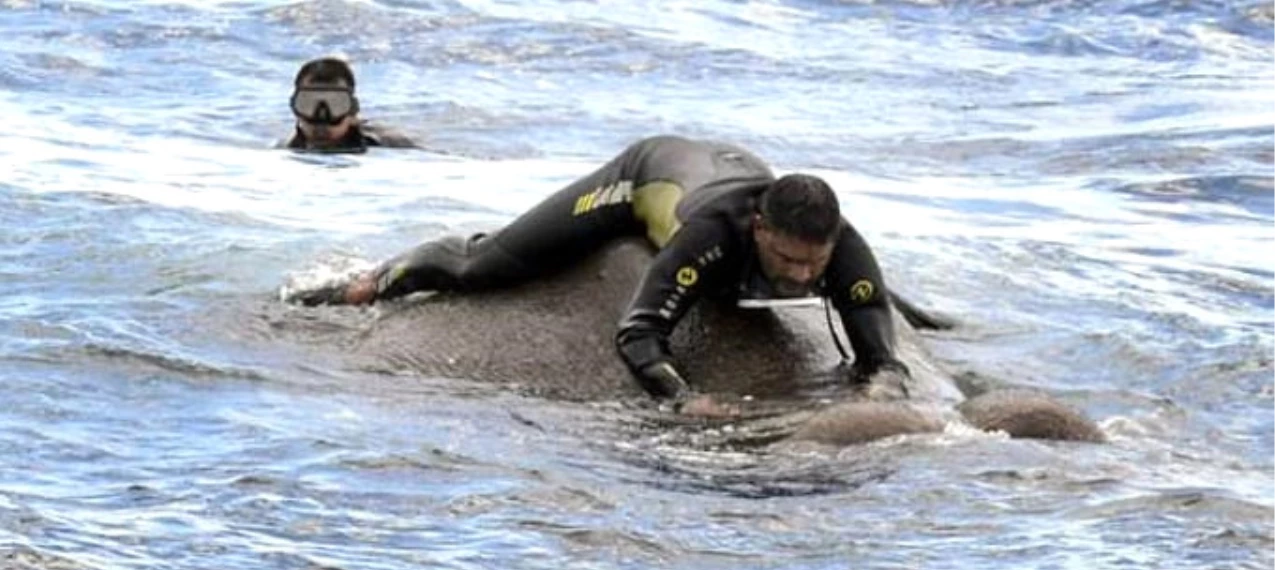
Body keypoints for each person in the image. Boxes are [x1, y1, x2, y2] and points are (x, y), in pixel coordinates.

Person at [289, 135, 911, 416]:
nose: (803, 277)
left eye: (816, 265)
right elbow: (638, 334)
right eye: (788, 262)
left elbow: (879, 348)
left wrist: (882, 387)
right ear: (758, 231)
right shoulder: (711, 236)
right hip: (646, 176)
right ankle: (371, 279)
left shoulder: (838, 244)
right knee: (483, 267)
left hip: (733, 164)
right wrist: (684, 399)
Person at [281, 57, 419, 152]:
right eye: (309, 104)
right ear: (295, 109)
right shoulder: (284, 151)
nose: (322, 120)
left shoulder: (393, 148)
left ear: (353, 111)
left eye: (336, 105)